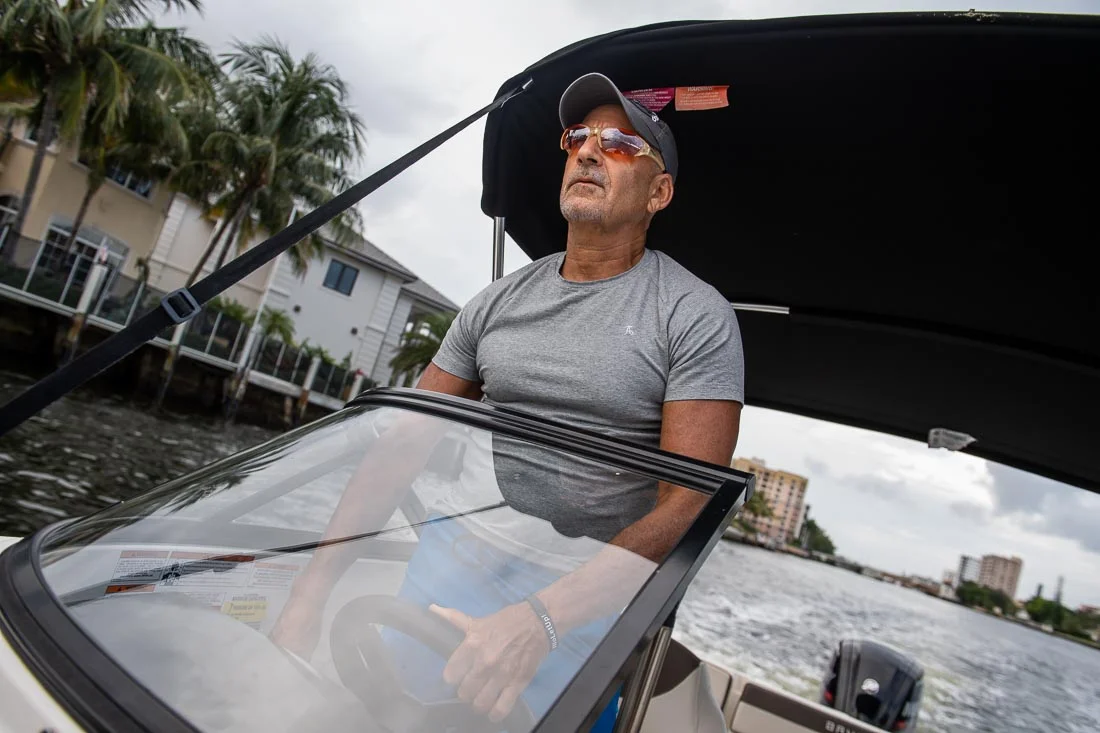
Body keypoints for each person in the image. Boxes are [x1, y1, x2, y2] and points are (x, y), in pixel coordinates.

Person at [271, 72, 745, 731]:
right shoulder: (495, 304)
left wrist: (545, 617)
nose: (585, 151)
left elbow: (686, 506)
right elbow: (401, 443)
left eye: (616, 144)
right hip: (453, 558)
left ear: (658, 191)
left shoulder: (696, 317)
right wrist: (310, 589)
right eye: (578, 136)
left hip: (584, 598)